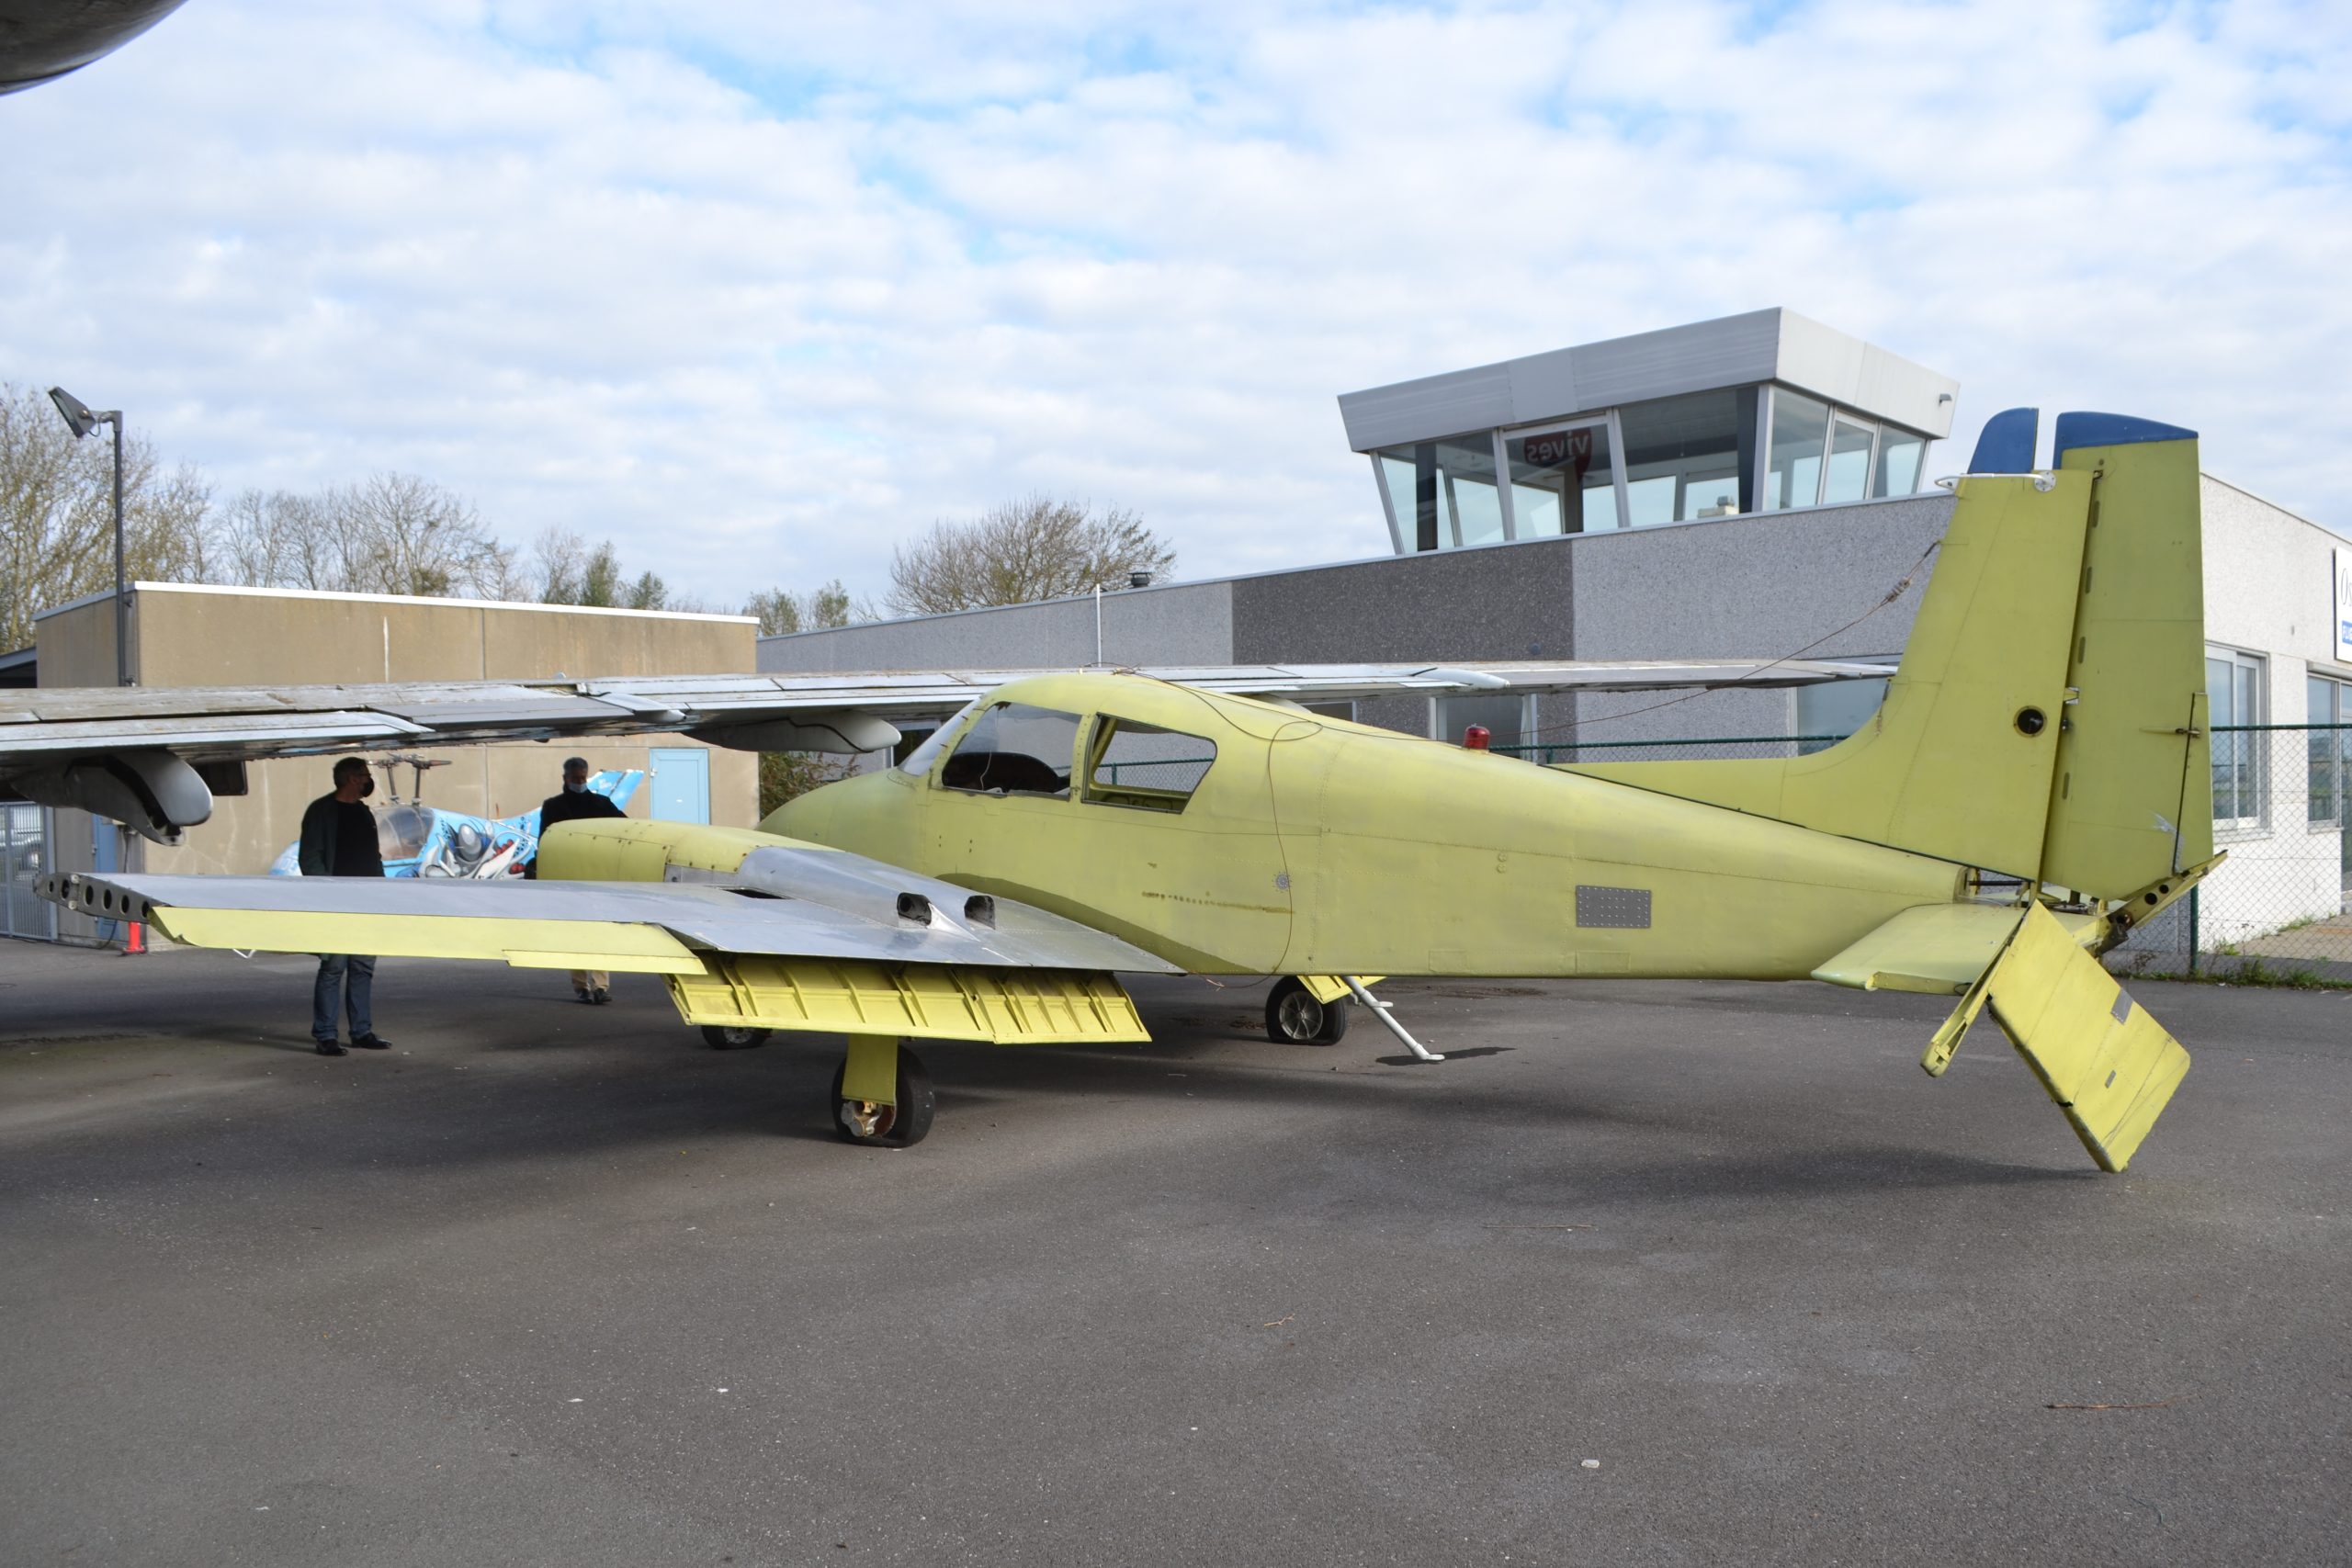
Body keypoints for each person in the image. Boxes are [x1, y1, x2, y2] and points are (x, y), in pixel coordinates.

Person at [299, 757, 391, 1056]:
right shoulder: (322, 811)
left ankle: (361, 1031)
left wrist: (382, 889)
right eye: (365, 775)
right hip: (336, 902)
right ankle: (326, 1035)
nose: (368, 780)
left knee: (363, 966)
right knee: (333, 967)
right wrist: (328, 893)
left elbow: (372, 856)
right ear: (353, 779)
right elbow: (310, 857)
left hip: (368, 900)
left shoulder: (364, 813)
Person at [531, 756, 627, 1004]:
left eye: (583, 778)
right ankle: (581, 985)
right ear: (565, 778)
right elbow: (546, 840)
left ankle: (600, 986)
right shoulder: (554, 806)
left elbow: (625, 828)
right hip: (570, 878)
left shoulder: (601, 803)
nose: (580, 782)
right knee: (577, 932)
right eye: (576, 779)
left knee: (597, 932)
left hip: (596, 878)